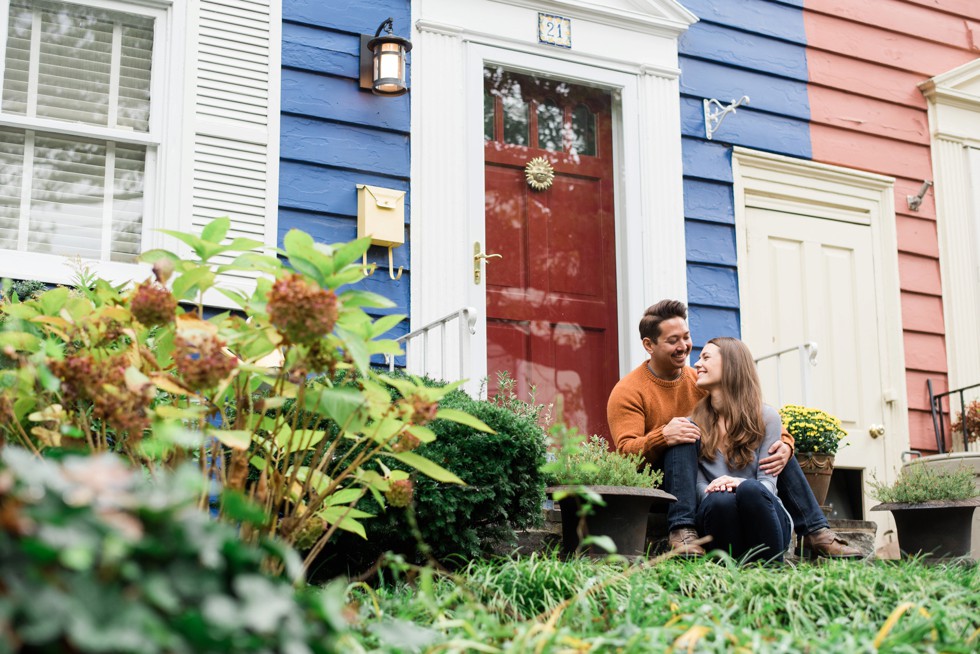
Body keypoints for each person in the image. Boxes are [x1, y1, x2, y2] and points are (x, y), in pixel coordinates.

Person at [607, 299, 861, 558]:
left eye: (686, 336)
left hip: (716, 481)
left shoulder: (699, 380)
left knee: (777, 450)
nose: (684, 347)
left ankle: (816, 532)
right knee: (683, 436)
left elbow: (752, 414)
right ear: (649, 345)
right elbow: (627, 456)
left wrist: (785, 443)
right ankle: (682, 529)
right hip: (664, 482)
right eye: (673, 340)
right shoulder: (628, 391)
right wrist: (662, 436)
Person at [692, 337, 792, 563]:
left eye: (706, 357)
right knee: (720, 500)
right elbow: (698, 485)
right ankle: (728, 574)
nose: (697, 364)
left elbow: (768, 484)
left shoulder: (766, 418)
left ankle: (770, 571)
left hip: (764, 516)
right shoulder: (693, 424)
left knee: (751, 491)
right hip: (717, 517)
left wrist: (739, 483)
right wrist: (719, 488)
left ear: (731, 364)